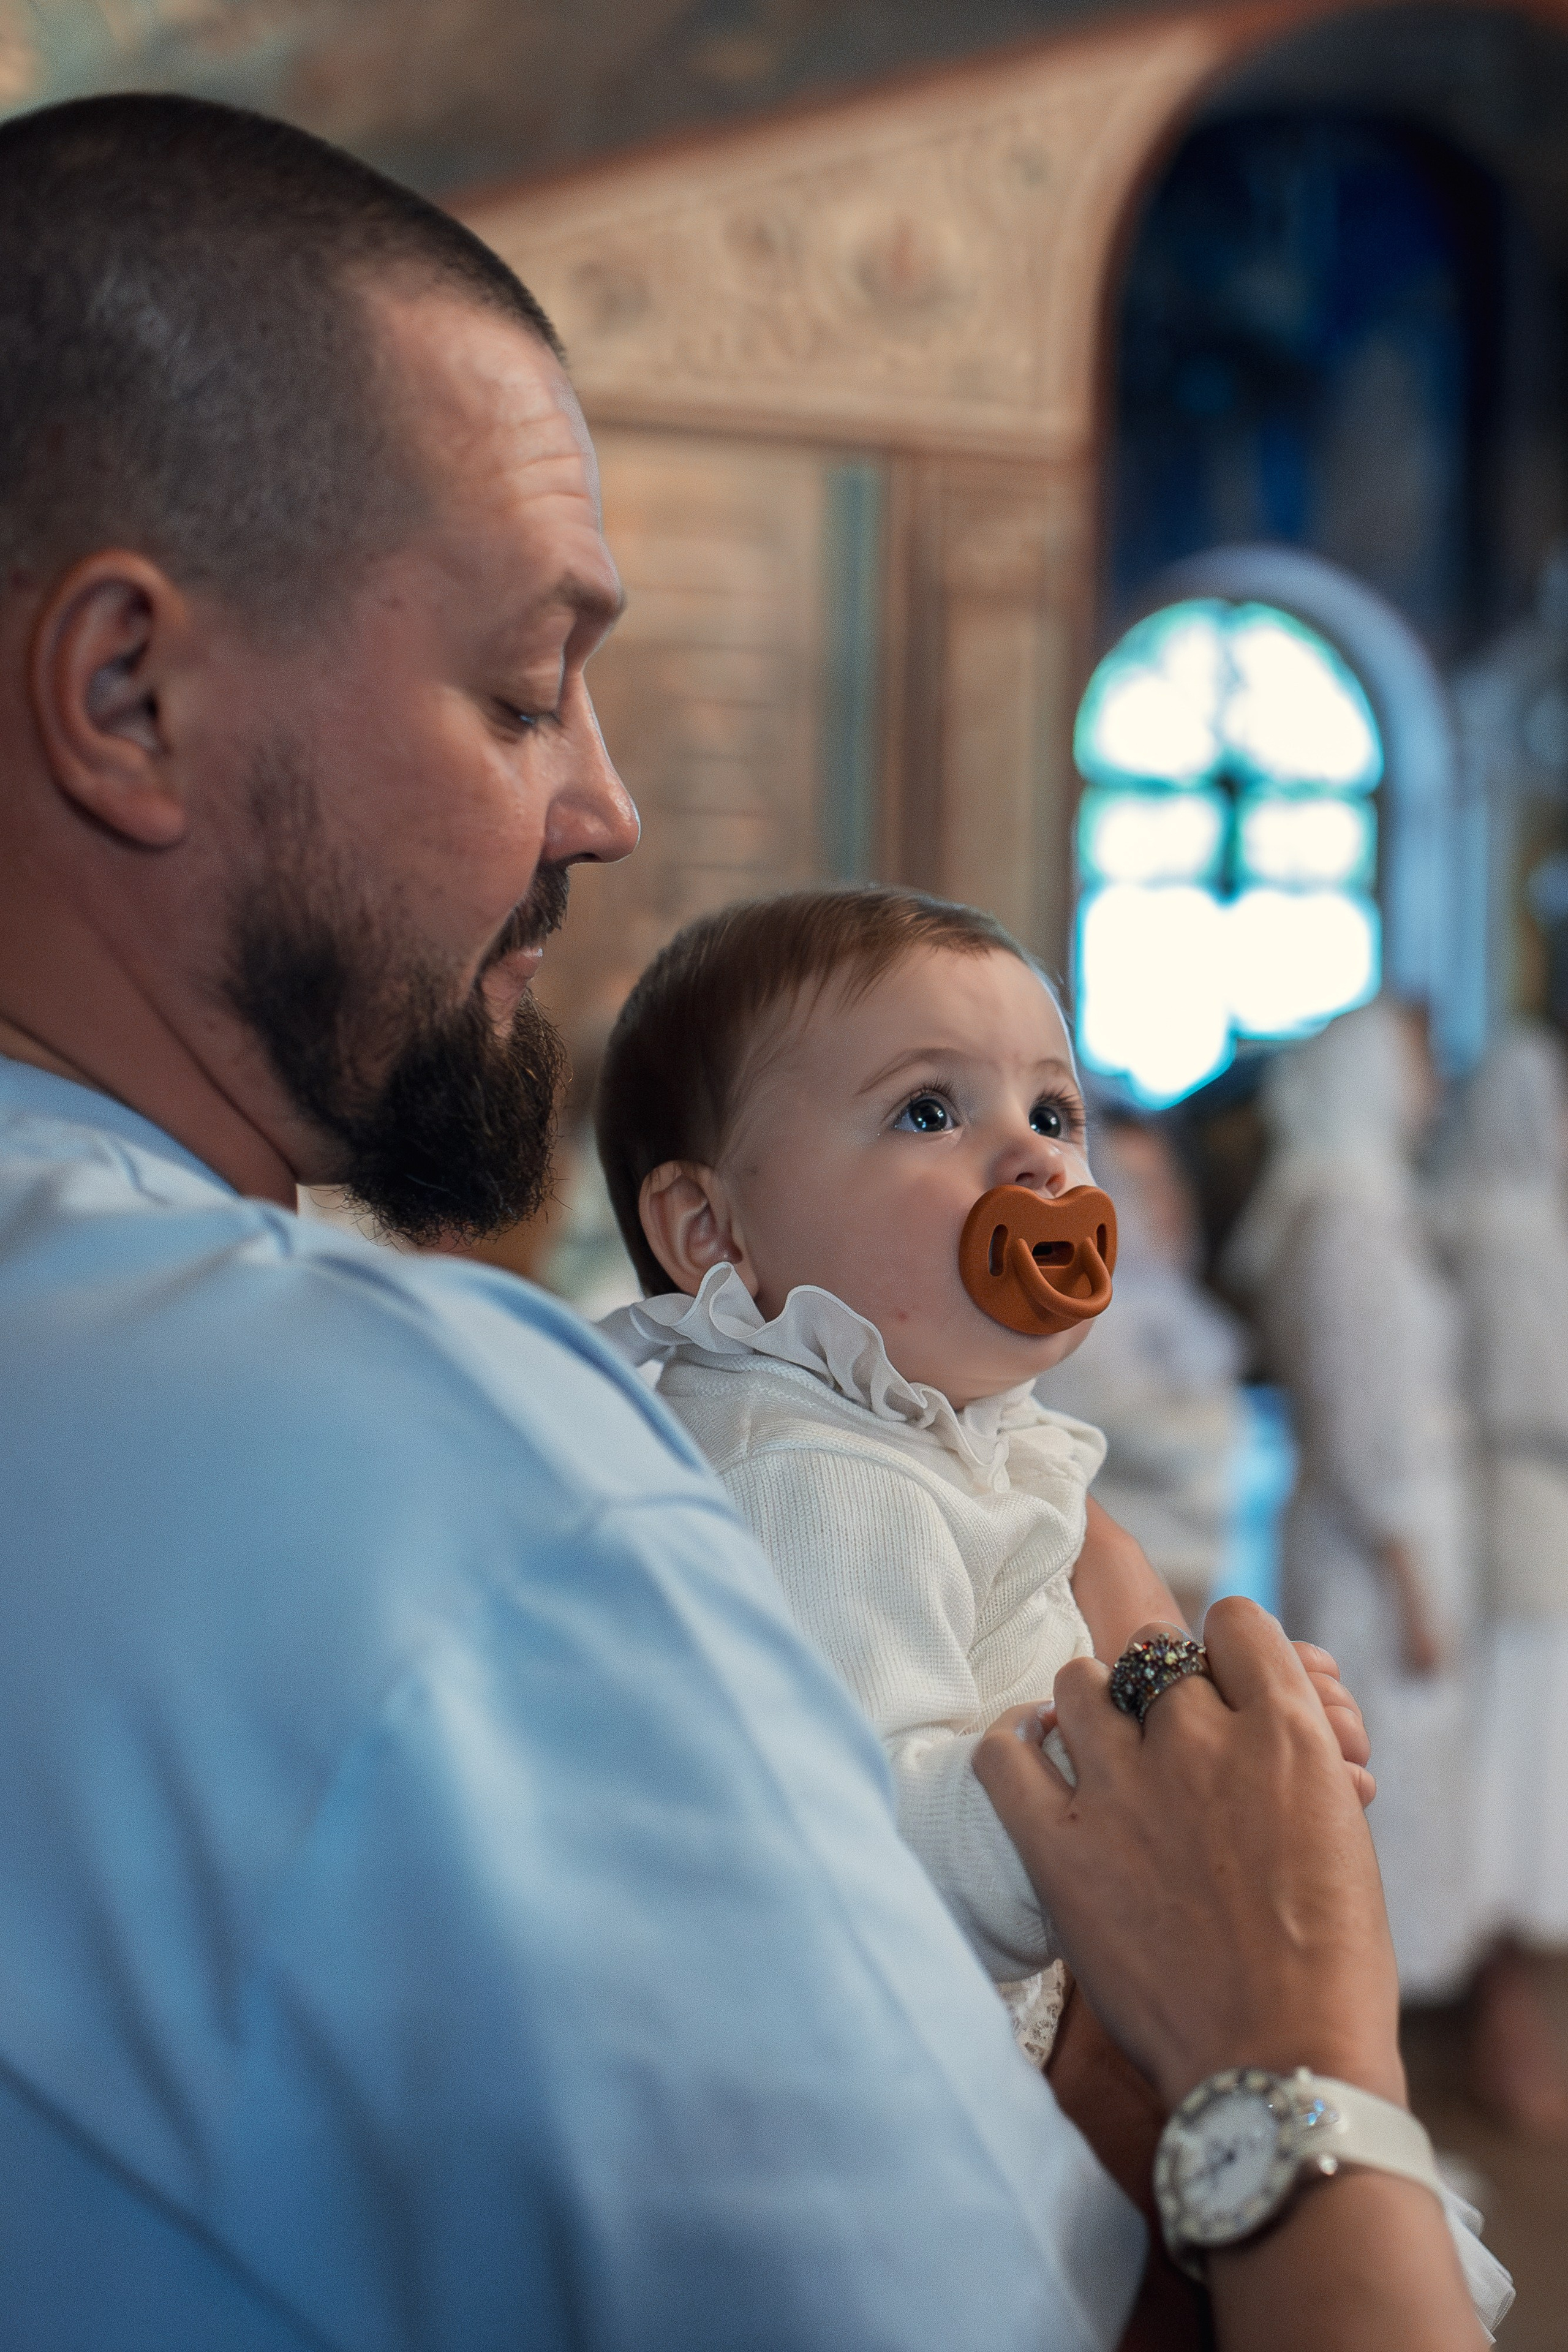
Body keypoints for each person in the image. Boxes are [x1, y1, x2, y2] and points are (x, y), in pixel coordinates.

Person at [0, 88, 1498, 2351]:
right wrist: (1280, 2035)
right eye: (520, 691)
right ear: (127, 697)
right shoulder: (440, 1465)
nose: (601, 799)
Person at [594, 888, 1369, 2070]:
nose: (1035, 1158)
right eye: (927, 1110)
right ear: (711, 1229)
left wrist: (1196, 1720)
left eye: (1056, 1110)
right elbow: (859, 1834)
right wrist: (1135, 1780)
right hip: (931, 2106)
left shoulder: (937, 1433)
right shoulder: (816, 1469)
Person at [1224, 1001, 1482, 2004]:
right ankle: (1367, 2063)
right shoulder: (1348, 1217)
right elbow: (1361, 1407)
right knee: (1376, 1792)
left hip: (1397, 1534)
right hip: (1376, 1551)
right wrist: (1412, 1578)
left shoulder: (1366, 1201)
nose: (1436, 1090)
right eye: (1422, 1066)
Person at [1434, 1023, 1568, 2139]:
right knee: (1523, 1775)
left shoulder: (1494, 1217)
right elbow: (1534, 1388)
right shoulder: (1510, 1227)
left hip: (1523, 1511)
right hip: (1528, 1518)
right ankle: (1506, 2021)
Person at [1037, 1112, 1245, 1633]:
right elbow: (1130, 1433)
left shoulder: (1175, 1302)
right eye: (1137, 1187)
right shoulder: (1077, 1315)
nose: (1164, 1204)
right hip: (1117, 1583)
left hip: (1193, 1567)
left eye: (1166, 1180)